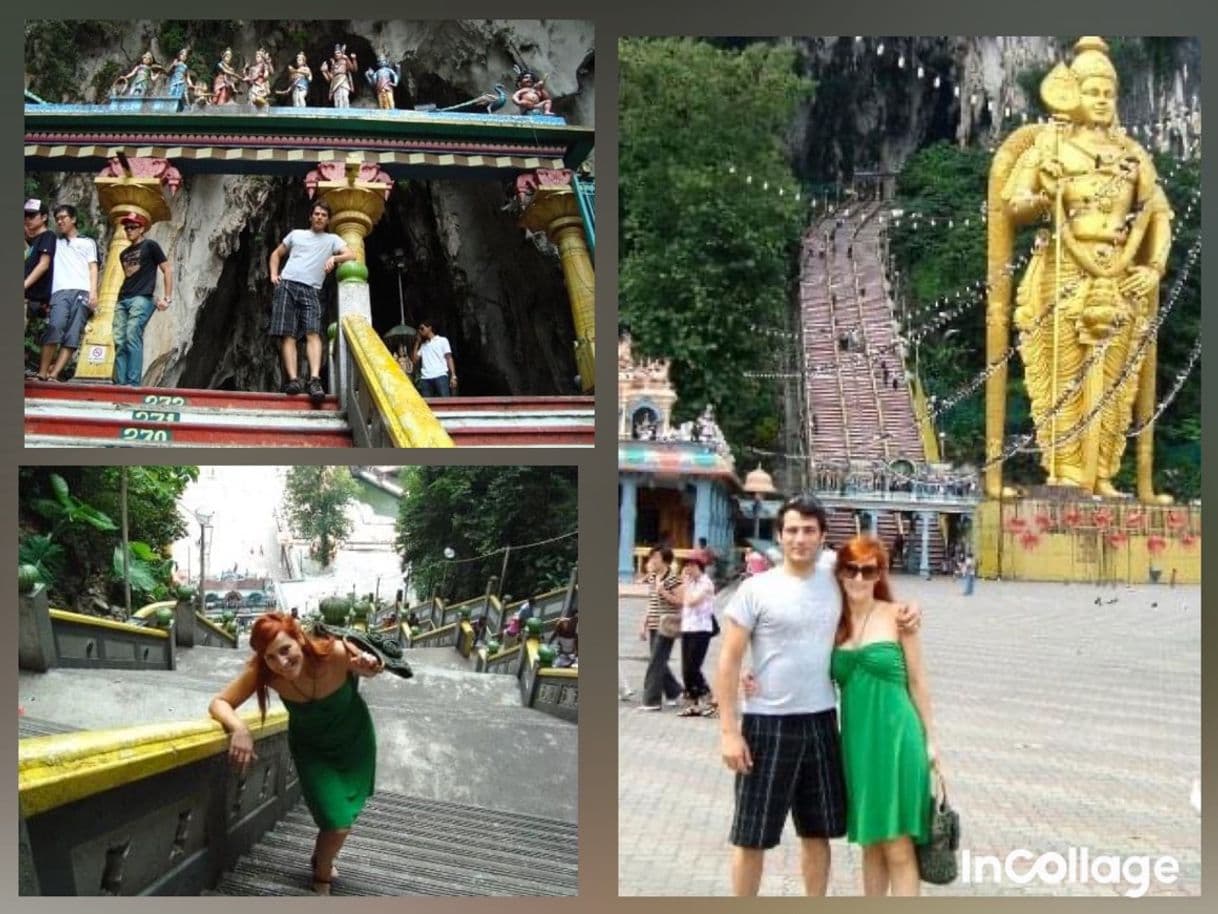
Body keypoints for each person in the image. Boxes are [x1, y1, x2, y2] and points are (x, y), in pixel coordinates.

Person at [716, 493, 921, 896]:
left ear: (823, 536)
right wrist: (729, 730)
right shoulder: (757, 589)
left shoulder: (835, 573)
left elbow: (873, 576)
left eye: (809, 531)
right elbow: (728, 660)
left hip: (823, 721)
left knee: (817, 832)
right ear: (779, 535)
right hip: (767, 724)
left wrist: (910, 609)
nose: (800, 539)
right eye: (791, 530)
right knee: (751, 835)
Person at [995, 36, 1171, 500]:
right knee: (1063, 375)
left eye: (1107, 94)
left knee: (1117, 378)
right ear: (1073, 94)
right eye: (1092, 92)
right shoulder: (1049, 145)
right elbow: (1011, 205)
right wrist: (1043, 195)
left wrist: (1152, 267)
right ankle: (1068, 470)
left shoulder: (1133, 156)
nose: (1100, 101)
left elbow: (1159, 214)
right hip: (1062, 268)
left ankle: (1104, 473)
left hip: (1118, 270)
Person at [209, 612, 384, 894]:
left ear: (300, 638)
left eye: (285, 650)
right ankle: (323, 874)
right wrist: (238, 728)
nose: (281, 662)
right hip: (311, 750)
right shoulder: (265, 674)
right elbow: (220, 702)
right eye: (270, 657)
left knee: (346, 813)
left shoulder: (335, 653)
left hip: (354, 742)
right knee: (336, 822)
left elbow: (370, 667)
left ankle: (320, 858)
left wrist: (370, 667)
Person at [830, 537, 937, 896]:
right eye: (851, 569)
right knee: (871, 841)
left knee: (897, 843)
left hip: (898, 739)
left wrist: (931, 742)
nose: (859, 578)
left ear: (879, 575)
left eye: (868, 570)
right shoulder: (832, 623)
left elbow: (919, 680)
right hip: (858, 743)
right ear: (840, 573)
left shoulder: (898, 616)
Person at [267, 201, 355, 404]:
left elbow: (352, 253)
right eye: (316, 214)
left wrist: (335, 259)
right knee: (288, 334)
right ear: (310, 216)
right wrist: (273, 275)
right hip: (287, 285)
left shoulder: (332, 239)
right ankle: (293, 380)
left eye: (324, 215)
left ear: (328, 220)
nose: (319, 217)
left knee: (313, 332)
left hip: (312, 288)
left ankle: (314, 380)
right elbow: (276, 254)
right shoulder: (296, 234)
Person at [37, 204, 98, 381]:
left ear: (74, 219)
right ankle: (42, 373)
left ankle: (54, 374)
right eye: (57, 219)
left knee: (72, 335)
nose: (60, 221)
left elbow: (93, 267)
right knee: (55, 326)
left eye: (63, 217)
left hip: (82, 291)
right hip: (60, 291)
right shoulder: (54, 242)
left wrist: (93, 292)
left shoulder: (87, 242)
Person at [112, 212, 172, 387]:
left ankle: (132, 383)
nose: (129, 230)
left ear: (142, 228)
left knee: (132, 334)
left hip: (142, 298)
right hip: (123, 299)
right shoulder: (123, 253)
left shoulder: (150, 246)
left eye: (133, 227)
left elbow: (167, 269)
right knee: (119, 340)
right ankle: (120, 383)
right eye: (126, 227)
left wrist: (167, 298)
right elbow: (130, 276)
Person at [636, 545, 682, 712]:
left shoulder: (673, 579)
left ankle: (652, 701)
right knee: (659, 661)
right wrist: (644, 624)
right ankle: (674, 691)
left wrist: (664, 592)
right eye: (651, 557)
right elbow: (651, 602)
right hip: (655, 625)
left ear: (665, 560)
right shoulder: (653, 577)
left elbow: (681, 601)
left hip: (667, 626)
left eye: (655, 557)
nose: (652, 560)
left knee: (655, 663)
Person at [673, 555, 715, 717]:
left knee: (693, 667)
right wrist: (683, 582)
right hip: (688, 628)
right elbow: (679, 599)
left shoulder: (706, 583)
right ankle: (694, 704)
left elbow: (691, 601)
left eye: (690, 565)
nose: (688, 568)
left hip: (701, 630)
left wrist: (684, 585)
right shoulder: (690, 582)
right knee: (686, 669)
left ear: (698, 566)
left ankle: (711, 698)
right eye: (686, 565)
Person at [23, 198, 56, 331]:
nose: (27, 219)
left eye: (32, 215)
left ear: (44, 217)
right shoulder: (34, 242)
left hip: (34, 299)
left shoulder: (48, 236)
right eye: (25, 216)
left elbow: (43, 265)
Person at [411, 320, 457, 397]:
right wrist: (417, 342)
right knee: (428, 405)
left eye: (422, 328)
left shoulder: (442, 340)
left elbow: (449, 358)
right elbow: (415, 360)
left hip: (440, 376)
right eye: (419, 329)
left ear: (429, 328)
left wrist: (453, 376)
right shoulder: (423, 345)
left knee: (445, 402)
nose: (420, 331)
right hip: (425, 378)